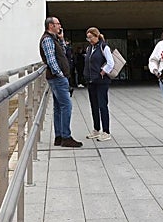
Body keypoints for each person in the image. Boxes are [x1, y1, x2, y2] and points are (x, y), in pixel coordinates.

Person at [39, 16, 81, 147]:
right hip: (57, 78)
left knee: (58, 107)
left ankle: (59, 137)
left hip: (58, 78)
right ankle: (66, 137)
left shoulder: (54, 39)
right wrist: (60, 74)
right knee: (66, 106)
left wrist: (62, 39)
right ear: (51, 25)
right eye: (58, 24)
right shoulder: (47, 40)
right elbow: (51, 59)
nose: (60, 26)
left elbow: (63, 53)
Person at [83, 27, 114, 141]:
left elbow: (111, 62)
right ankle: (96, 129)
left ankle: (106, 131)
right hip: (91, 81)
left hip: (101, 81)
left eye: (91, 37)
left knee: (102, 105)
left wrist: (103, 72)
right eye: (88, 38)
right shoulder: (89, 48)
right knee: (94, 106)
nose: (89, 40)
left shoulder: (104, 47)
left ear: (97, 36)